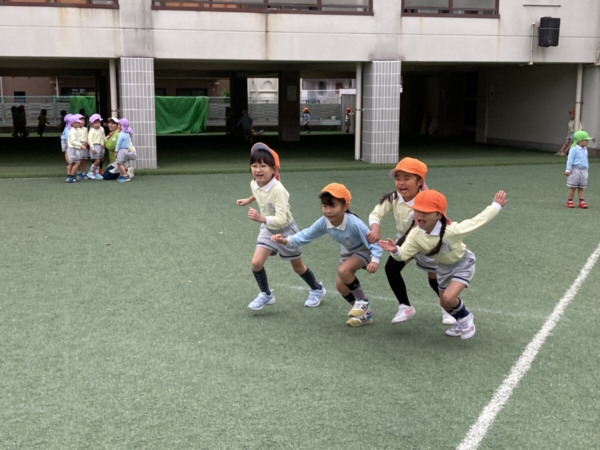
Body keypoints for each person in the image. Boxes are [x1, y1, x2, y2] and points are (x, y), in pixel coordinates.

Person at [379, 190, 507, 340]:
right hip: (443, 268)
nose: (420, 215)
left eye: (426, 212)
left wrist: (496, 206)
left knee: (449, 297)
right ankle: (459, 322)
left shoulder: (452, 230)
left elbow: (477, 221)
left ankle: (466, 318)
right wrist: (395, 250)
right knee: (444, 303)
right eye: (417, 211)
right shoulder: (415, 234)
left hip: (462, 264)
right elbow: (404, 254)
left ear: (438, 215)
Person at [272, 183, 382, 327]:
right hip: (347, 253)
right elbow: (306, 235)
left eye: (333, 206)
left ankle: (362, 302)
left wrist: (375, 259)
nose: (328, 210)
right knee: (341, 286)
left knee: (343, 270)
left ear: (345, 206)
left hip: (363, 250)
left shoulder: (354, 223)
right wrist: (286, 240)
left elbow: (373, 240)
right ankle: (365, 314)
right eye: (325, 206)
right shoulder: (324, 222)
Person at [236, 143, 326, 311]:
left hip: (286, 230)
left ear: (273, 169)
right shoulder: (255, 183)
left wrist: (260, 218)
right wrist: (248, 200)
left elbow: (282, 219)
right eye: (254, 166)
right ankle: (266, 294)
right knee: (256, 263)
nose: (258, 170)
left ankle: (317, 289)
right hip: (268, 228)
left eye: (263, 166)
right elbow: (258, 191)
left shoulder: (279, 190)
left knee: (298, 267)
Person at [366, 158, 455, 325]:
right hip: (406, 240)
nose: (401, 183)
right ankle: (405, 306)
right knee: (391, 268)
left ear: (420, 181)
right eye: (397, 178)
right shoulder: (393, 198)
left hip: (427, 242)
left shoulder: (427, 201)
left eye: (407, 178)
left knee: (434, 277)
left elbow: (441, 221)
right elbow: (376, 213)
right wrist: (375, 228)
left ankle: (447, 307)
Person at [565, 130, 593, 209]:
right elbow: (570, 160)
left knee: (581, 187)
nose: (587, 142)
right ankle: (570, 201)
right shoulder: (573, 149)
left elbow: (585, 159)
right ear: (580, 141)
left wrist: (586, 168)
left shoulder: (585, 149)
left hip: (583, 170)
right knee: (573, 187)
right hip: (575, 170)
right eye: (586, 140)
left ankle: (581, 201)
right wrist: (568, 170)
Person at [114, 118, 136, 183]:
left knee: (119, 163)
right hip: (126, 150)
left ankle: (125, 176)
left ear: (121, 126)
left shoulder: (121, 134)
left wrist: (116, 151)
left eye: (119, 124)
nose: (118, 126)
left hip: (121, 150)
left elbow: (118, 143)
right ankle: (121, 176)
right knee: (122, 163)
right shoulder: (127, 134)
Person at [65, 114, 83, 183]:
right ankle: (71, 176)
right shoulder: (73, 131)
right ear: (73, 123)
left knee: (71, 163)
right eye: (77, 122)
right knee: (77, 163)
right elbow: (73, 141)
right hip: (73, 149)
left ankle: (68, 177)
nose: (79, 123)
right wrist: (81, 145)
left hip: (71, 149)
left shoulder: (73, 130)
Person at [87, 114, 105, 180]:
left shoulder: (101, 129)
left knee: (99, 160)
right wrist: (92, 147)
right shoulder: (91, 131)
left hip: (100, 146)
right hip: (95, 146)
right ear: (91, 124)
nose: (98, 124)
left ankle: (96, 173)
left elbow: (102, 137)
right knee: (97, 160)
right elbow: (89, 140)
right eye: (95, 123)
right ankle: (90, 171)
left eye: (99, 122)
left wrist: (103, 144)